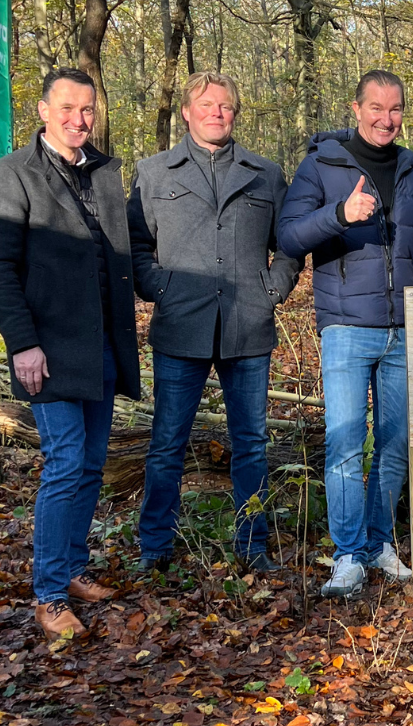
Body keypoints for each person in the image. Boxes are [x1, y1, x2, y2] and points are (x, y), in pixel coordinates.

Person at [277, 69, 413, 598]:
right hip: (345, 328)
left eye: (396, 108)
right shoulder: (321, 165)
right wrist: (339, 213)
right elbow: (289, 237)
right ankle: (348, 555)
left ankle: (380, 544)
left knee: (396, 444)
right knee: (344, 446)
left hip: (404, 327)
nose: (386, 118)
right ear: (355, 108)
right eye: (376, 107)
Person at [0, 67, 143, 638]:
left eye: (88, 109)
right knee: (66, 461)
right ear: (43, 111)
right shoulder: (9, 177)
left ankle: (73, 568)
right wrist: (21, 343)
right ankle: (48, 593)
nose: (79, 119)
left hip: (100, 342)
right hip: (44, 347)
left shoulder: (103, 173)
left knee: (92, 464)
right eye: (68, 109)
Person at [127, 72, 303, 573]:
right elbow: (136, 245)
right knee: (167, 443)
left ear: (236, 112)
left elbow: (289, 245)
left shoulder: (265, 174)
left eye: (225, 105)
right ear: (186, 111)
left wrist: (273, 291)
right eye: (206, 104)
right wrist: (158, 287)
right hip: (180, 325)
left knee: (250, 443)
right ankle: (155, 547)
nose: (216, 113)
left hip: (247, 327)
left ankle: (252, 545)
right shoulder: (155, 172)